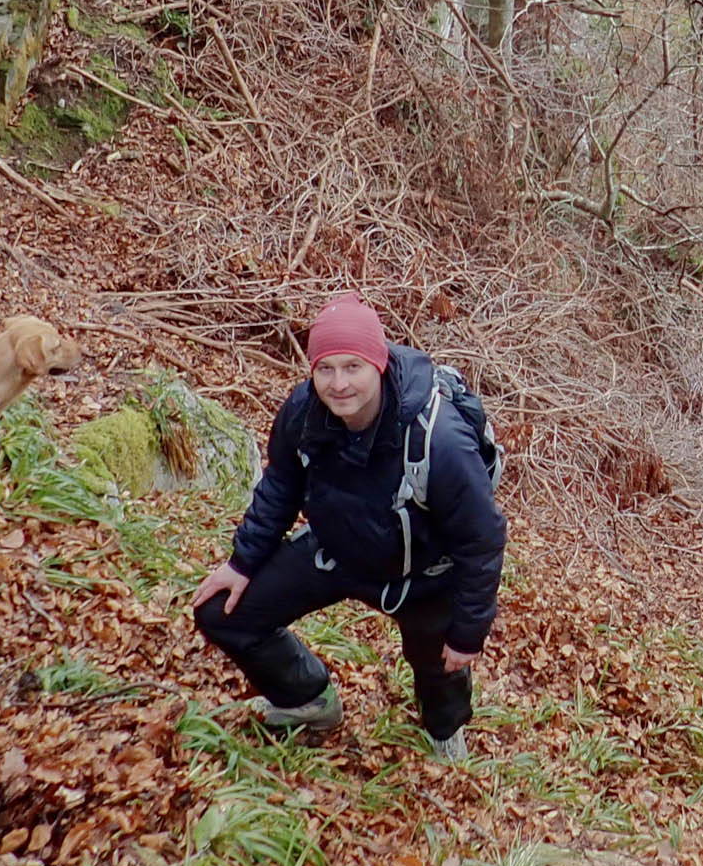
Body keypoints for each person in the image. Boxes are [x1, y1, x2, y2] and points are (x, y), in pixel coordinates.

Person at [192, 295, 505, 763]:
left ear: (378, 364)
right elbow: (281, 484)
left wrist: (468, 632)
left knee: (440, 666)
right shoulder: (304, 411)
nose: (338, 385)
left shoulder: (439, 440)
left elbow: (482, 538)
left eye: (353, 367)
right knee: (221, 613)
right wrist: (242, 562)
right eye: (325, 369)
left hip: (423, 576)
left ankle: (445, 729)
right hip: (337, 552)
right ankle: (310, 701)